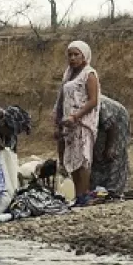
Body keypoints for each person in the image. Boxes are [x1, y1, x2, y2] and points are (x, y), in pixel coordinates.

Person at [53, 40, 100, 207]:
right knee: (72, 159)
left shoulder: (89, 74)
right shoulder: (68, 75)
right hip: (68, 124)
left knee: (83, 158)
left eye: (76, 54)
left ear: (84, 56)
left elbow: (93, 100)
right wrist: (59, 122)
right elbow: (61, 100)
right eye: (70, 55)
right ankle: (78, 195)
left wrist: (76, 116)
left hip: (82, 123)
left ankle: (84, 195)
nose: (72, 58)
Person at [90, 95, 130, 197]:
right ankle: (97, 189)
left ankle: (113, 190)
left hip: (117, 118)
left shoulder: (97, 104)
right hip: (100, 124)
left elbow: (112, 125)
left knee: (114, 153)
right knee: (96, 154)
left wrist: (110, 147)